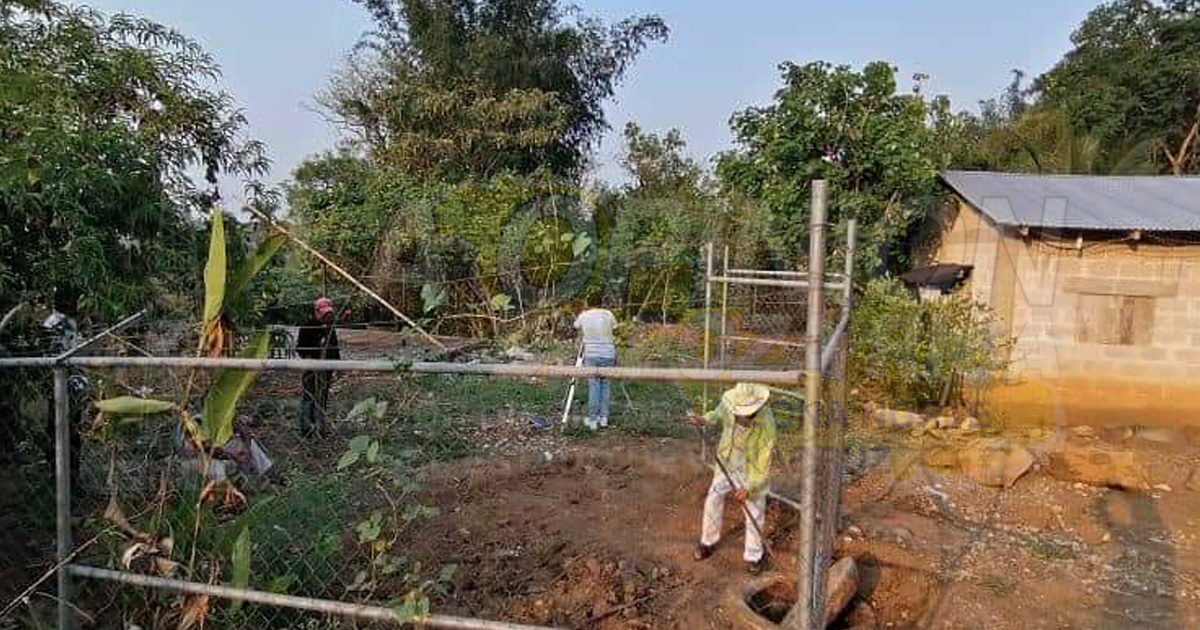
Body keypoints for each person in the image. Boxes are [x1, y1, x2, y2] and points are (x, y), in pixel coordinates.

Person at [688, 382, 776, 574]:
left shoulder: (767, 425)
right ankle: (707, 542)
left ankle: (754, 555)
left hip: (751, 471)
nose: (741, 416)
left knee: (754, 510)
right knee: (713, 498)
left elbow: (763, 464)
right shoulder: (730, 403)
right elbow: (716, 414)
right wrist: (704, 420)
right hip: (727, 462)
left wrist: (750, 488)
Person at [296, 297, 340, 437]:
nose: (327, 316)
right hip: (311, 367)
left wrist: (338, 366)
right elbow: (300, 348)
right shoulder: (307, 326)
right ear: (316, 311)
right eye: (324, 314)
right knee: (309, 397)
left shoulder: (330, 328)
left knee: (322, 397)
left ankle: (320, 427)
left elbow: (334, 348)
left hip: (326, 368)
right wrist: (309, 359)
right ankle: (306, 428)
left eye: (329, 314)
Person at [573, 306, 617, 430]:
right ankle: (604, 418)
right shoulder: (608, 313)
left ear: (587, 303)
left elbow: (576, 326)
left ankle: (592, 419)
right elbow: (614, 328)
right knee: (605, 385)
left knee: (594, 386)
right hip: (608, 353)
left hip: (592, 353)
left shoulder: (584, 315)